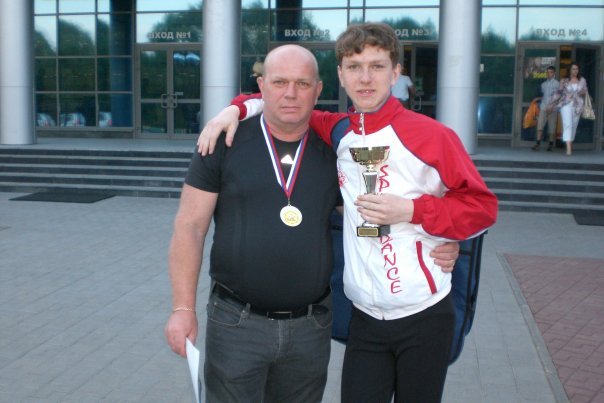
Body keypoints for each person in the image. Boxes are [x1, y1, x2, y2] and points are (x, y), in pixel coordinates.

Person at [198, 23, 498, 403]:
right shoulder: (340, 130)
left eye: (377, 66)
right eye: (354, 67)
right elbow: (283, 99)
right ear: (340, 75)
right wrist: (235, 108)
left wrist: (413, 210)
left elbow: (482, 207)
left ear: (395, 72)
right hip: (365, 318)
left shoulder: (433, 136)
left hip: (423, 314)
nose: (365, 78)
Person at [548, 62, 588, 156]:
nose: (575, 71)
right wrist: (551, 103)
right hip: (565, 104)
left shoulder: (582, 80)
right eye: (573, 69)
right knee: (568, 125)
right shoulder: (564, 80)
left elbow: (585, 91)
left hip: (577, 106)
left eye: (577, 69)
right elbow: (558, 93)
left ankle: (569, 142)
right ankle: (568, 149)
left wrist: (581, 92)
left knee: (574, 125)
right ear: (569, 70)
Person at [531, 66, 559, 151]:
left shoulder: (557, 84)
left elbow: (558, 97)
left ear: (554, 73)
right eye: (547, 72)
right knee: (540, 125)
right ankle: (538, 143)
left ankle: (550, 144)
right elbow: (544, 96)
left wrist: (552, 106)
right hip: (543, 107)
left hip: (553, 108)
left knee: (552, 126)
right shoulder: (543, 84)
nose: (548, 74)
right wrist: (538, 98)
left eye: (550, 72)